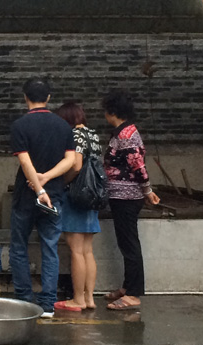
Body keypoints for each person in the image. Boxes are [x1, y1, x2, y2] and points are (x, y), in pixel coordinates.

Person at [9, 78, 75, 314]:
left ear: (25, 96)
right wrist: (47, 178)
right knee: (50, 248)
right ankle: (47, 305)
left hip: (26, 198)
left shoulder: (20, 126)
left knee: (19, 247)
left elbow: (25, 161)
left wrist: (38, 187)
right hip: (55, 196)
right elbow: (70, 161)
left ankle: (25, 301)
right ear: (48, 98)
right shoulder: (63, 126)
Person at [102, 90, 160, 311]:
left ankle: (134, 294)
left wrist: (147, 191)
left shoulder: (127, 135)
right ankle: (128, 286)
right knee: (126, 243)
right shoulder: (122, 133)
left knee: (130, 245)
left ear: (112, 112)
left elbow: (138, 166)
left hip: (127, 197)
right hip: (120, 195)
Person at [53, 101, 102, 312]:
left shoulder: (75, 135)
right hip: (92, 196)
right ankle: (89, 298)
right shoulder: (93, 135)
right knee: (88, 250)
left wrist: (63, 181)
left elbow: (76, 165)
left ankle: (77, 299)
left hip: (75, 196)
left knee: (76, 250)